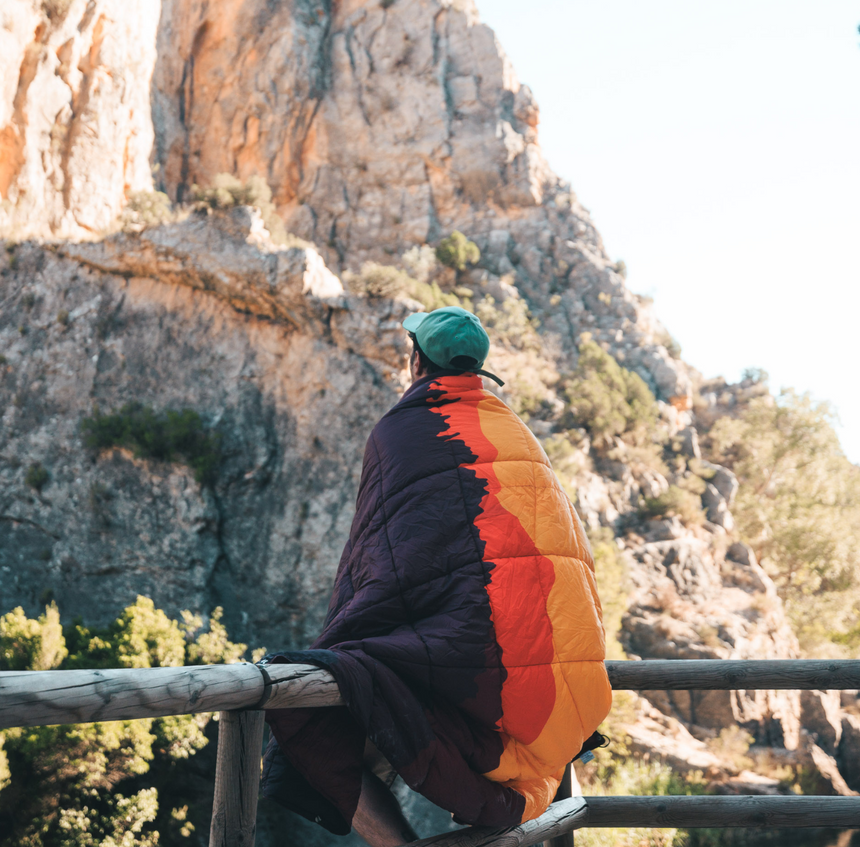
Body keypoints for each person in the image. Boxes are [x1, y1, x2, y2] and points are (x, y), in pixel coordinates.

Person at [261, 305, 612, 845]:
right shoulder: (515, 431)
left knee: (307, 715)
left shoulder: (401, 430)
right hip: (556, 676)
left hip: (475, 662)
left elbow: (382, 557)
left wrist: (351, 631)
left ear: (416, 361)